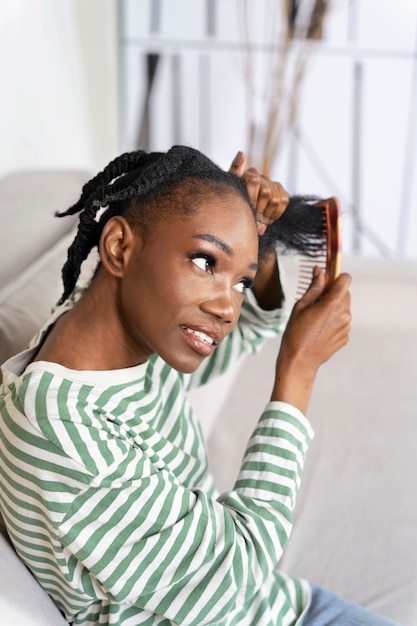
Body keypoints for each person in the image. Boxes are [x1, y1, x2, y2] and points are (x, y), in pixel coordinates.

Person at [0, 146, 399, 626]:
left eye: (240, 284)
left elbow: (248, 329)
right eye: (206, 262)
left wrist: (253, 239)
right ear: (119, 247)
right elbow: (237, 574)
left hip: (286, 606)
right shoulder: (63, 431)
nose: (228, 308)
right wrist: (298, 371)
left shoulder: (108, 342)